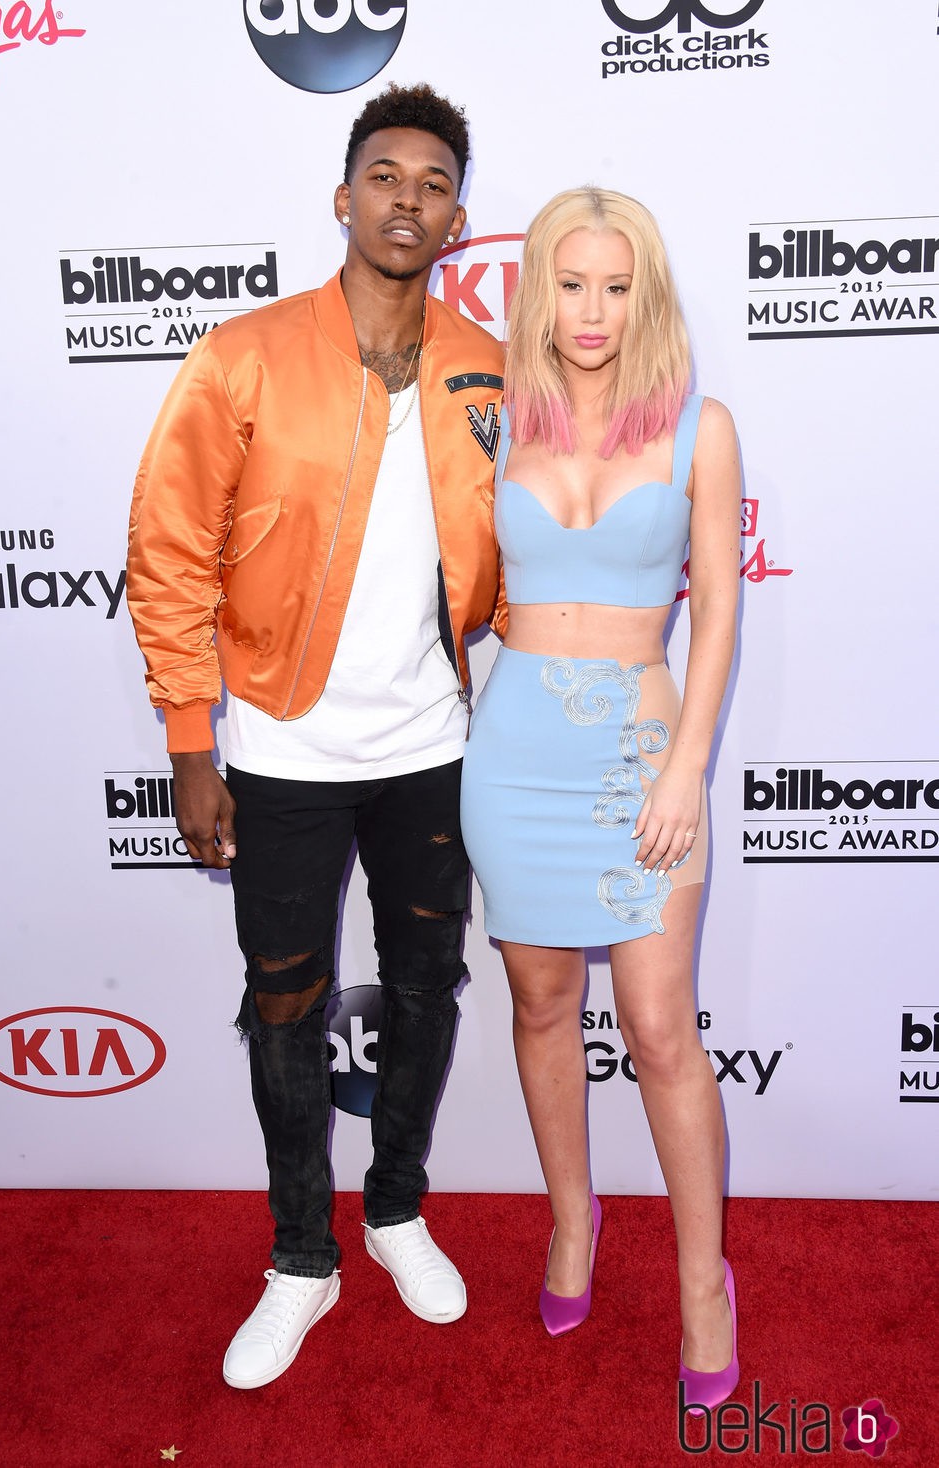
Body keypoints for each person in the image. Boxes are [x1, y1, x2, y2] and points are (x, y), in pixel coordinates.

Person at [126, 82, 505, 1390]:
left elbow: (514, 555)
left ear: (458, 217)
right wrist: (190, 739)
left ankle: (393, 1209)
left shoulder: (487, 369)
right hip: (281, 750)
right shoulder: (243, 356)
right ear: (343, 198)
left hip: (433, 750)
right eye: (385, 174)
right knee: (283, 1007)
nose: (409, 199)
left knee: (422, 990)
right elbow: (169, 552)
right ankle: (302, 1257)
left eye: (435, 182)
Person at [460, 188, 741, 1412]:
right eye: (569, 283)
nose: (591, 310)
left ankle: (699, 1282)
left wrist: (684, 761)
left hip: (638, 746)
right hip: (514, 743)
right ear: (536, 290)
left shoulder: (700, 425)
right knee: (536, 1000)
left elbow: (721, 610)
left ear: (647, 292)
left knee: (660, 1023)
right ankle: (570, 1226)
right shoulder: (489, 421)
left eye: (615, 285)